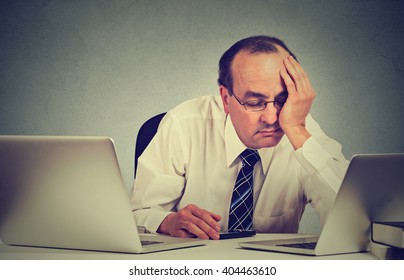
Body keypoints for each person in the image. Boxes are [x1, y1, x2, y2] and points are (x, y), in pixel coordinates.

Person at [130, 35, 349, 240]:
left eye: (283, 99)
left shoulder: (299, 129)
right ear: (226, 99)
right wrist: (167, 222)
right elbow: (137, 214)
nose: (273, 118)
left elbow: (354, 220)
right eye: (254, 103)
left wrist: (298, 130)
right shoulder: (183, 124)